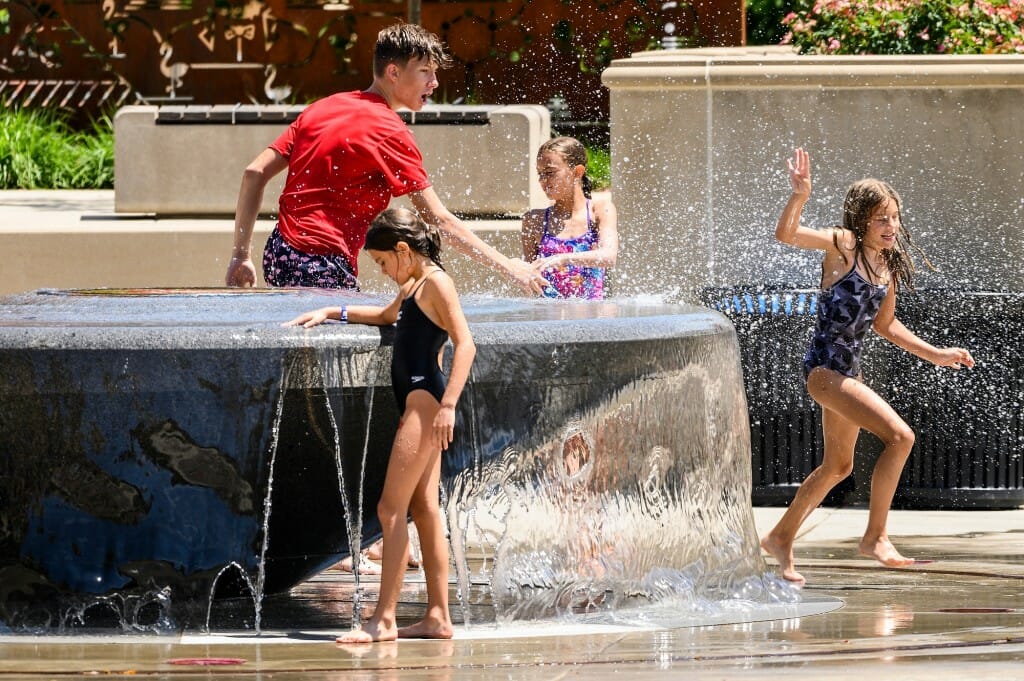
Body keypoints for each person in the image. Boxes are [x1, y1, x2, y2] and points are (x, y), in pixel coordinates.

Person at [760, 148, 975, 585]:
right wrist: (799, 195)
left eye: (895, 217)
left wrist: (937, 353)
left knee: (838, 467)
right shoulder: (845, 247)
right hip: (824, 372)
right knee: (900, 436)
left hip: (847, 376)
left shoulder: (885, 266)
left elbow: (886, 324)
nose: (891, 226)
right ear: (861, 221)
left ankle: (781, 537)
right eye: (882, 219)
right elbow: (787, 234)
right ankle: (875, 537)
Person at [225, 22, 546, 295]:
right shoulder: (390, 130)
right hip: (320, 265)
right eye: (425, 72)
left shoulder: (324, 106)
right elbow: (439, 220)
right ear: (393, 72)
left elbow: (254, 172)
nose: (434, 83)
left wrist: (241, 254)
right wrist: (508, 266)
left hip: (280, 253)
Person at [285, 207, 473, 642]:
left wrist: (448, 406)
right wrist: (332, 312)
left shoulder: (437, 283)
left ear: (403, 250)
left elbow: (466, 344)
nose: (383, 271)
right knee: (424, 510)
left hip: (426, 403)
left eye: (383, 262)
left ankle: (383, 620)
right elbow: (388, 318)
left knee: (391, 510)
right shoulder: (413, 285)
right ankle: (437, 616)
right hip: (419, 400)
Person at [521, 136, 618, 299]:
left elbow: (608, 257)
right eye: (540, 174)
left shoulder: (599, 211)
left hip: (593, 318)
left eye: (550, 173)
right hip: (549, 318)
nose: (543, 181)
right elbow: (531, 280)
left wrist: (562, 259)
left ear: (577, 172)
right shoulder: (534, 220)